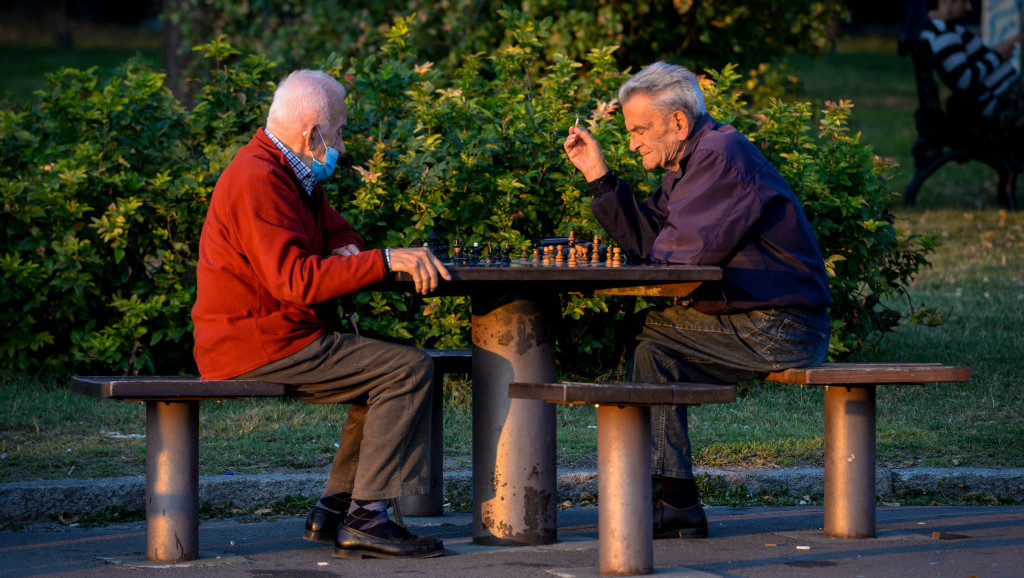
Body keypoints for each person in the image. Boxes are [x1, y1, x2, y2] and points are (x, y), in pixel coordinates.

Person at [562, 62, 831, 539]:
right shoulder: (694, 160)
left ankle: (670, 501)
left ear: (678, 123)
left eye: (640, 130)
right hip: (763, 318)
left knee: (651, 337)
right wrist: (599, 176)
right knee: (653, 347)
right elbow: (649, 241)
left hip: (780, 326)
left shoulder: (719, 157)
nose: (632, 143)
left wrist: (632, 265)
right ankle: (673, 503)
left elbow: (678, 260)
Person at [192, 69, 451, 559]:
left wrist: (349, 249)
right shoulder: (258, 178)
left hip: (278, 333)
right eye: (339, 132)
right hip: (258, 341)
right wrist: (384, 260)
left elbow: (338, 232)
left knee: (386, 365)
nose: (343, 145)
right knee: (408, 369)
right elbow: (294, 281)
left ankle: (333, 509)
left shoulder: (292, 171)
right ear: (311, 133)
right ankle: (367, 518)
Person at [921, 0, 1024, 128]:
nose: (969, 7)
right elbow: (964, 79)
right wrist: (998, 56)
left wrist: (999, 52)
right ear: (945, 1)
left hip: (1009, 96)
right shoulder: (944, 35)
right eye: (963, 2)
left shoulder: (944, 30)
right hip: (1005, 101)